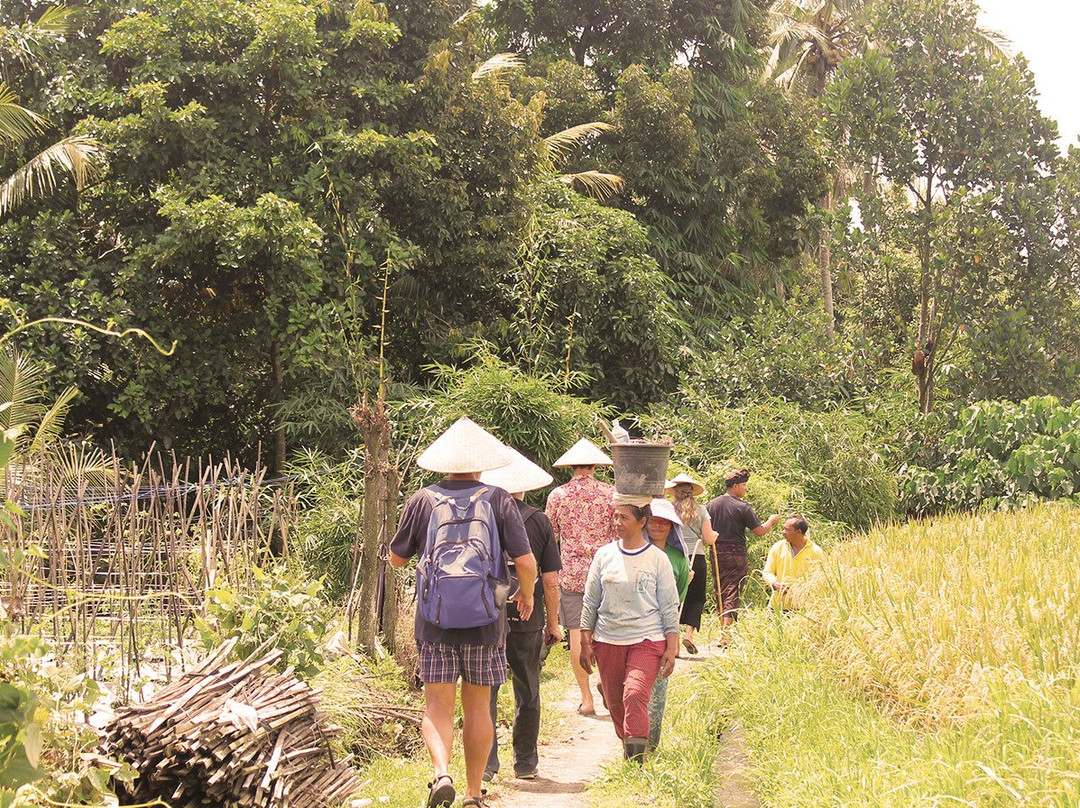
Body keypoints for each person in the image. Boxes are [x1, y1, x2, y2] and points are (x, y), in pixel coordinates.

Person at [389, 417, 538, 808]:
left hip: (434, 621)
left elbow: (397, 559)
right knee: (478, 708)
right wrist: (525, 594)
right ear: (481, 464)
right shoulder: (499, 499)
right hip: (486, 621)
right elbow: (525, 562)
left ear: (444, 462)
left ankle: (442, 774)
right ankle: (474, 794)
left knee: (437, 706)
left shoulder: (422, 499)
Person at [479, 449, 562, 782]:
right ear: (526, 486)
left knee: (485, 688)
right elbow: (550, 579)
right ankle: (525, 762)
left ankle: (486, 765)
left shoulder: (483, 516)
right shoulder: (539, 521)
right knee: (527, 686)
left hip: (488, 611)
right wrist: (553, 623)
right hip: (528, 613)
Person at [579, 498, 680, 762]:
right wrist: (585, 642)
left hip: (648, 638)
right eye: (615, 517)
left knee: (634, 694)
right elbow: (591, 601)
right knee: (615, 702)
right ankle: (630, 747)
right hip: (608, 639)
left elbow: (669, 605)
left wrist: (672, 646)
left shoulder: (657, 559)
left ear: (642, 521)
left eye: (624, 517)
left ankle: (636, 764)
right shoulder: (604, 555)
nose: (617, 522)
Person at [546, 438, 615, 716]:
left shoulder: (558, 496)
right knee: (606, 631)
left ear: (571, 467)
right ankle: (605, 682)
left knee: (576, 632)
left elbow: (550, 537)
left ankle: (586, 700)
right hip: (606, 571)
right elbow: (620, 534)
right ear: (596, 465)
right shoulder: (611, 494)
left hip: (571, 574)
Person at [705, 469, 779, 635]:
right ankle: (726, 632)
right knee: (733, 589)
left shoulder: (712, 504)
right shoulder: (742, 507)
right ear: (735, 486)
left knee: (720, 588)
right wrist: (771, 521)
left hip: (716, 552)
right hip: (736, 553)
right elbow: (759, 531)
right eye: (744, 485)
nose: (746, 488)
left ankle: (723, 627)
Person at [643, 498, 689, 752]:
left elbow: (677, 598)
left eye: (664, 522)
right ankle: (631, 740)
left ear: (672, 527)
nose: (658, 526)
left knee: (658, 688)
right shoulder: (633, 550)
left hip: (661, 630)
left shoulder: (678, 559)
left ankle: (649, 746)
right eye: (653, 520)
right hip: (631, 628)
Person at [665, 473, 717, 655]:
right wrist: (714, 536)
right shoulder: (701, 510)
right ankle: (689, 634)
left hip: (674, 557)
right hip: (696, 556)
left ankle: (675, 642)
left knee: (673, 597)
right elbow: (709, 538)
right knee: (696, 597)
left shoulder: (668, 509)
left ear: (674, 491)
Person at [761, 515, 824, 610]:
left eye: (787, 529)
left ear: (798, 532)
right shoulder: (778, 547)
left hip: (804, 608)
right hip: (778, 605)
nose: (783, 532)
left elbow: (821, 579)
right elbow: (767, 572)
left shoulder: (816, 551)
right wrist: (774, 583)